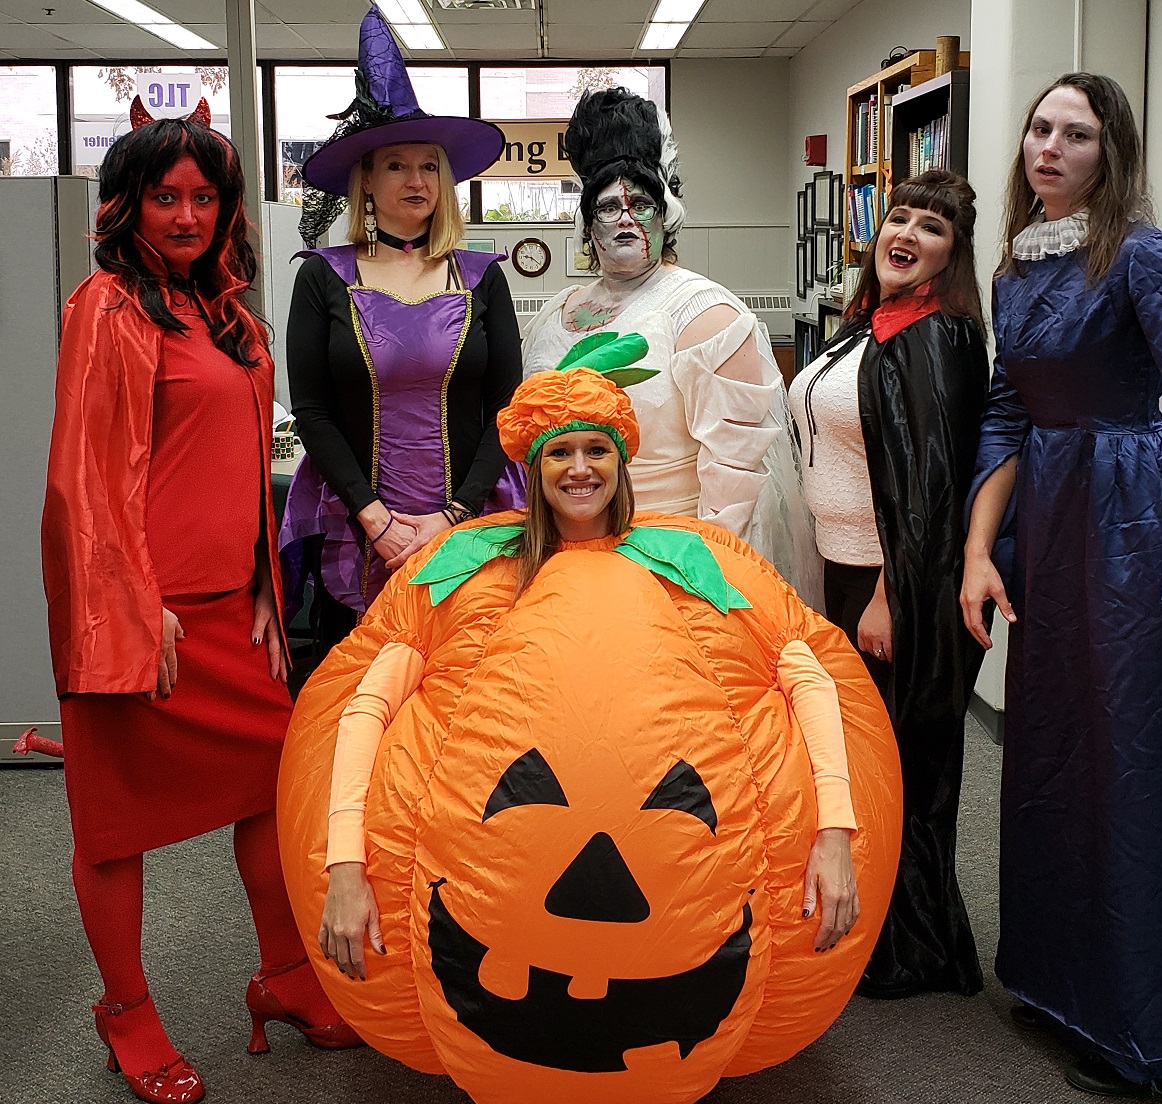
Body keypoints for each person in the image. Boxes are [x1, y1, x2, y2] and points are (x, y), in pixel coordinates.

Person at [274, 336, 904, 1103]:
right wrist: (345, 865)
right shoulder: (465, 572)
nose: (580, 468)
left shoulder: (702, 566)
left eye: (596, 450)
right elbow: (362, 709)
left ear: (622, 462)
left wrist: (835, 837)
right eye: (559, 452)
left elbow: (809, 680)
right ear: (532, 471)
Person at [40, 102, 359, 1104]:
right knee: (115, 826)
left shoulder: (232, 320)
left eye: (203, 196)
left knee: (271, 794)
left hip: (231, 612)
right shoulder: (106, 308)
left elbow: (230, 469)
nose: (185, 216)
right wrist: (133, 605)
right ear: (125, 203)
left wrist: (268, 589)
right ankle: (126, 1013)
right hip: (140, 622)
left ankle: (285, 974)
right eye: (163, 196)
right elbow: (82, 477)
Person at [959, 72, 1162, 1095]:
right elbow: (1004, 413)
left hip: (1137, 529)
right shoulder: (1010, 269)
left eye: (1074, 134)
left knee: (1141, 777)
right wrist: (975, 555)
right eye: (1039, 128)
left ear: (1108, 152)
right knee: (1059, 764)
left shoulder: (1138, 256)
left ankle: (1157, 1028)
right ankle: (1065, 994)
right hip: (1052, 536)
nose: (1048, 146)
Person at [789, 169, 989, 999]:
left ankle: (912, 951)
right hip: (843, 572)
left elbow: (932, 489)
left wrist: (889, 596)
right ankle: (871, 927)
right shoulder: (871, 326)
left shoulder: (938, 336)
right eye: (899, 217)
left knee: (900, 763)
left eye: (932, 228)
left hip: (891, 587)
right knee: (861, 758)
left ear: (953, 254)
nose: (907, 233)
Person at [280, 4, 524, 668]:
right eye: (395, 165)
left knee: (464, 695)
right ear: (366, 181)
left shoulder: (482, 279)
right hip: (358, 527)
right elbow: (314, 412)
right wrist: (374, 518)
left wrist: (454, 514)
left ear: (445, 182)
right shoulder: (323, 278)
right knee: (358, 693)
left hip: (470, 526)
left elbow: (508, 411)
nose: (415, 180)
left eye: (428, 166)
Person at [521, 87, 821, 605]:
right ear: (586, 223)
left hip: (667, 562)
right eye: (607, 206)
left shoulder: (707, 315)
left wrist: (703, 584)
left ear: (666, 215)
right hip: (559, 558)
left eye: (640, 203)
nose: (624, 219)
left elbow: (736, 480)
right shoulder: (553, 314)